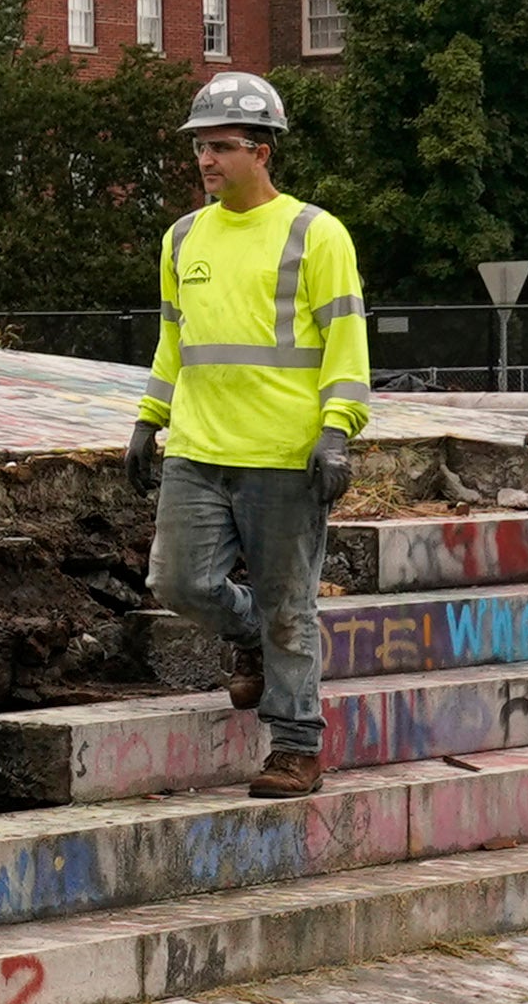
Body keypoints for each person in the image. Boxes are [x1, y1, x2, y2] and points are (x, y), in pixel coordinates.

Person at [127, 72, 373, 801]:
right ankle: (246, 636)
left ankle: (295, 747)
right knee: (176, 582)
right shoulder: (180, 239)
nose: (206, 160)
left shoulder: (313, 233)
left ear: (261, 151)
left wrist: (337, 433)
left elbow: (345, 343)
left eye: (221, 146)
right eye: (199, 146)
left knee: (289, 606)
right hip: (198, 450)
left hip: (284, 457)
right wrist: (148, 418)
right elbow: (175, 340)